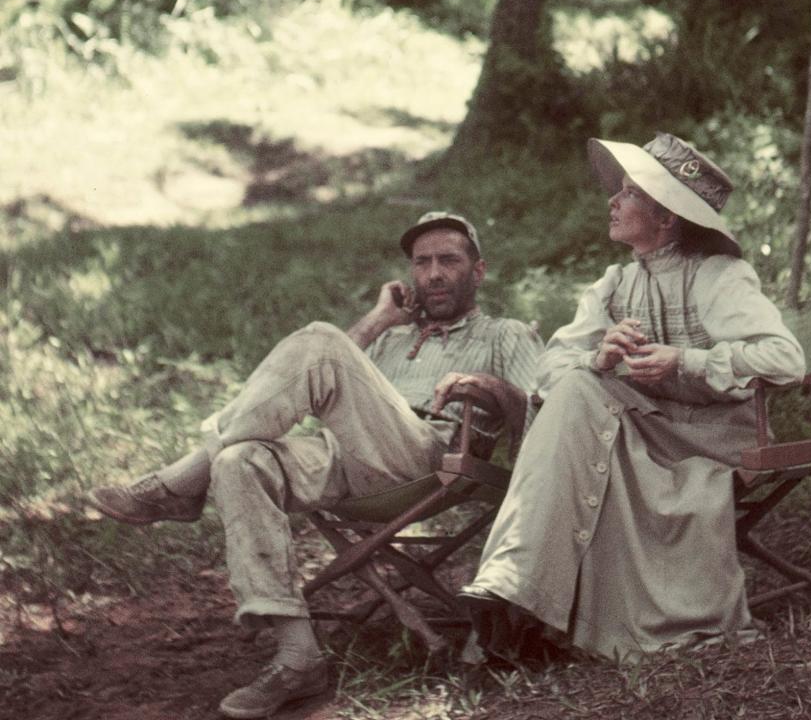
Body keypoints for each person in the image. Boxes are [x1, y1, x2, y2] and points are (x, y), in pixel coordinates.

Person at [87, 211, 543, 719]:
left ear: (478, 271)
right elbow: (317, 370)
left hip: (430, 457)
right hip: (346, 455)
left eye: (449, 261)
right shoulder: (391, 337)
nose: (433, 273)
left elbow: (541, 404)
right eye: (422, 263)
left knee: (323, 340)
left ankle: (179, 483)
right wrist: (376, 322)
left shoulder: (504, 334)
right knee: (241, 461)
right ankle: (298, 657)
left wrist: (487, 388)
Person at [458, 134, 806, 663]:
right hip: (644, 432)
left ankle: (518, 595)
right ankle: (515, 589)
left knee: (581, 408)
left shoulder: (716, 275)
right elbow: (549, 369)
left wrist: (684, 360)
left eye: (629, 194)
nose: (612, 203)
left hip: (711, 441)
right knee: (576, 383)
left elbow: (785, 359)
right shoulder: (615, 283)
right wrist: (599, 356)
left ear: (666, 217)